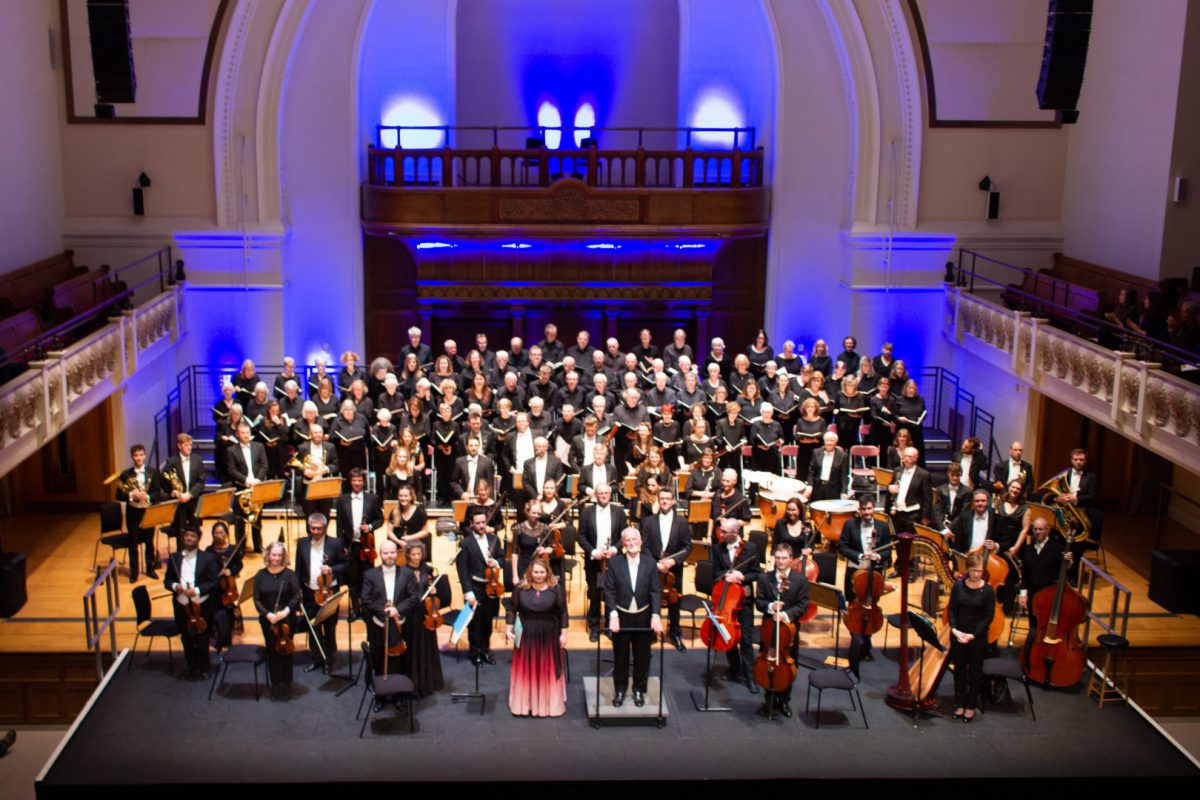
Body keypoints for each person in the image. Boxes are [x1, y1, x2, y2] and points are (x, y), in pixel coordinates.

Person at [605, 528, 663, 707]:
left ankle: (639, 689)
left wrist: (656, 615)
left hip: (643, 617)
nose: (631, 543)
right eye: (627, 540)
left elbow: (655, 591)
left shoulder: (650, 562)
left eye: (634, 540)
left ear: (640, 542)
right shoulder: (614, 563)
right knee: (620, 657)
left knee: (642, 657)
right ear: (623, 544)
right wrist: (613, 614)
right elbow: (609, 591)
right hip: (621, 616)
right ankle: (620, 690)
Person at [504, 558, 569, 717]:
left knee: (547, 668)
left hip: (549, 634)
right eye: (536, 572)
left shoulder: (556, 588)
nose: (539, 575)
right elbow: (512, 609)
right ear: (530, 572)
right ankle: (526, 705)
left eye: (541, 572)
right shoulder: (521, 587)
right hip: (525, 633)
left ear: (547, 572)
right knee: (526, 669)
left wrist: (564, 634)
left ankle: (548, 705)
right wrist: (509, 629)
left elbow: (563, 612)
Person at [361, 540, 419, 707]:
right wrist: (385, 611)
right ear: (380, 554)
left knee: (400, 661)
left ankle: (398, 696)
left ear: (397, 553)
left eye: (392, 552)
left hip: (400, 624)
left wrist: (397, 609)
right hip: (379, 625)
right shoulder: (370, 574)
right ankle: (380, 696)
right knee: (380, 661)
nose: (389, 556)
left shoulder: (407, 573)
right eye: (386, 553)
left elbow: (414, 597)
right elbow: (366, 599)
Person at [754, 543, 810, 718]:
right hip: (769, 630)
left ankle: (784, 701)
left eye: (784, 558)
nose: (780, 561)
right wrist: (771, 606)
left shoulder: (800, 580)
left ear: (791, 559)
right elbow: (759, 602)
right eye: (777, 558)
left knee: (787, 666)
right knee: (767, 663)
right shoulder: (764, 578)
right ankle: (768, 699)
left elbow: (803, 606)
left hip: (788, 633)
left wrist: (786, 614)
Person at [838, 495, 893, 664]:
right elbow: (842, 546)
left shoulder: (883, 527)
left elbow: (888, 552)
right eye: (864, 509)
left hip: (873, 575)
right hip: (855, 573)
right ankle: (856, 641)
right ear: (859, 510)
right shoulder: (850, 525)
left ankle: (866, 643)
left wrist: (878, 555)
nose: (867, 512)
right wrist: (860, 555)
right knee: (854, 608)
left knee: (870, 608)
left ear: (873, 509)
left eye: (870, 509)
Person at [711, 517, 761, 694]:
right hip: (726, 600)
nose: (720, 534)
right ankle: (734, 670)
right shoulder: (718, 549)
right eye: (720, 531)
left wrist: (742, 577)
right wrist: (726, 575)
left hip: (743, 600)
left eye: (724, 532)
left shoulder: (751, 548)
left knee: (746, 639)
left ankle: (750, 676)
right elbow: (715, 572)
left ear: (735, 533)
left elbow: (757, 573)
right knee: (728, 637)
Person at [640, 487, 692, 652]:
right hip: (654, 567)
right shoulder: (648, 521)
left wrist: (673, 561)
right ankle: (652, 632)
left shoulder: (682, 522)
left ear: (673, 501)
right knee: (652, 599)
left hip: (673, 570)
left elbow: (687, 547)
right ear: (658, 500)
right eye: (661, 498)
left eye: (667, 498)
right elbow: (645, 546)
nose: (664, 501)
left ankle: (675, 633)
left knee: (674, 601)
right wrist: (654, 563)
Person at [164, 527, 219, 680]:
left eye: (192, 536)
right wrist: (176, 587)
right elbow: (167, 581)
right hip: (181, 604)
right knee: (186, 637)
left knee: (202, 638)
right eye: (187, 535)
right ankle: (190, 666)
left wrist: (196, 590)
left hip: (201, 604)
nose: (189, 538)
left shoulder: (208, 558)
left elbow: (214, 582)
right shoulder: (174, 558)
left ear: (198, 539)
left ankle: (204, 667)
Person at [295, 513, 346, 673]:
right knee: (313, 628)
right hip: (309, 593)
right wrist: (298, 591)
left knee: (329, 628)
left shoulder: (336, 543)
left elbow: (345, 565)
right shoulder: (302, 543)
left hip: (329, 593)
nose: (316, 531)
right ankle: (316, 658)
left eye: (319, 528)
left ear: (325, 527)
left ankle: (329, 660)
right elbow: (299, 569)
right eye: (313, 528)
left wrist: (332, 569)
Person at [948, 552, 996, 723]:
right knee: (959, 671)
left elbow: (988, 617)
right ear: (967, 570)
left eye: (980, 571)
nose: (977, 574)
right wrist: (954, 630)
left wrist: (973, 635)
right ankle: (960, 703)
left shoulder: (988, 590)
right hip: (958, 634)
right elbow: (952, 610)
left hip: (977, 637)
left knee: (975, 672)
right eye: (974, 570)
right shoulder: (958, 586)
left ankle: (971, 706)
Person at [1017, 517, 1072, 663]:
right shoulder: (1028, 549)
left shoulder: (1057, 548)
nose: (1038, 532)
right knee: (1034, 627)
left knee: (1050, 626)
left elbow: (1066, 568)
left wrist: (1069, 561)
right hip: (1034, 596)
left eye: (1041, 529)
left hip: (1050, 595)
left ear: (1047, 530)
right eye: (1035, 529)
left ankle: (1052, 655)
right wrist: (1023, 594)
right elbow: (1025, 575)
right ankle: (1032, 657)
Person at [577, 483, 626, 641]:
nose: (603, 495)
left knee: (611, 593)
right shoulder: (586, 512)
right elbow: (581, 536)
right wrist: (593, 552)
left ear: (610, 494)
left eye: (606, 493)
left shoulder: (618, 512)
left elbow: (624, 535)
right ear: (595, 495)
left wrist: (614, 550)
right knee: (595, 593)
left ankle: (611, 625)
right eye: (600, 493)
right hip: (594, 561)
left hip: (614, 561)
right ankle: (595, 627)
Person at [334, 468, 384, 619]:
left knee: (368, 577)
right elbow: (339, 524)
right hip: (350, 545)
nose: (357, 483)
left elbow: (380, 519)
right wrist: (341, 545)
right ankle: (355, 608)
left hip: (367, 546)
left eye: (359, 480)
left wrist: (369, 527)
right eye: (354, 480)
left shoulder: (372, 498)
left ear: (364, 482)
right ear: (350, 482)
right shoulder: (342, 499)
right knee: (352, 579)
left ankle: (368, 607)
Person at [398, 540, 446, 696]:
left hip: (426, 614)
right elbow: (401, 594)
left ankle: (427, 681)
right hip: (411, 615)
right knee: (412, 646)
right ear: (408, 555)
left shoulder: (428, 569)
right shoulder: (403, 571)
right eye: (413, 554)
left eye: (419, 554)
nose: (416, 557)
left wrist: (433, 591)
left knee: (426, 646)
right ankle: (412, 683)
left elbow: (431, 589)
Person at [254, 540, 302, 698]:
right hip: (268, 620)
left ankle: (286, 683)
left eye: (279, 555)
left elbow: (297, 596)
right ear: (268, 555)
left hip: (287, 620)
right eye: (273, 554)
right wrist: (268, 615)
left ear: (283, 556)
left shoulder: (290, 574)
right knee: (272, 651)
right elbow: (256, 599)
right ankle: (275, 684)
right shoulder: (260, 575)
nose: (276, 558)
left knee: (286, 652)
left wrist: (286, 611)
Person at [456, 508, 503, 665]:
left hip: (492, 587)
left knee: (487, 621)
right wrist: (467, 592)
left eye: (483, 522)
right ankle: (475, 652)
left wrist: (495, 562)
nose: (482, 526)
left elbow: (502, 559)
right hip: (474, 587)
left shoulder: (494, 539)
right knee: (474, 623)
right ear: (471, 524)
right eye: (478, 523)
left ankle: (485, 651)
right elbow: (462, 571)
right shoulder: (465, 543)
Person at [115, 443, 161, 582]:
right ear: (132, 457)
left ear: (145, 456)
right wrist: (131, 496)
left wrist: (146, 496)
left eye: (141, 455)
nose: (139, 458)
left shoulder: (153, 472)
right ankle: (134, 572)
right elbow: (118, 495)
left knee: (149, 542)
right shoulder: (126, 474)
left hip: (148, 512)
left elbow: (157, 493)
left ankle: (150, 569)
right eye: (136, 455)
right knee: (133, 543)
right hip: (133, 513)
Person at [225, 421, 269, 553]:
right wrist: (245, 480)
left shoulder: (259, 447)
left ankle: (258, 545)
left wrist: (257, 479)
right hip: (241, 488)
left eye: (248, 433)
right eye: (243, 433)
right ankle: (240, 547)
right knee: (240, 520)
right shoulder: (231, 450)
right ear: (238, 434)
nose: (245, 435)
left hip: (256, 486)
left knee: (257, 519)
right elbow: (231, 470)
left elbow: (264, 465)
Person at [206, 521, 243, 651]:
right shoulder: (209, 550)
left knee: (229, 610)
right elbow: (207, 567)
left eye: (222, 532)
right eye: (216, 533)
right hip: (215, 586)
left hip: (229, 586)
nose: (219, 535)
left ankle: (228, 635)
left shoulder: (233, 549)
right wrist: (216, 572)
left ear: (226, 534)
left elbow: (239, 565)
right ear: (213, 535)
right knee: (215, 609)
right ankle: (217, 635)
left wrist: (230, 571)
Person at [161, 432, 205, 543]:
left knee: (195, 529)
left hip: (193, 501)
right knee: (181, 532)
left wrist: (189, 494)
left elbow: (201, 481)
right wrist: (174, 492)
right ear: (179, 446)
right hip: (179, 502)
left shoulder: (197, 460)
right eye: (186, 445)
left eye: (190, 445)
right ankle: (181, 555)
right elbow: (165, 481)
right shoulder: (171, 461)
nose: (189, 447)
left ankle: (195, 553)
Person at [388, 484, 430, 563]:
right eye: (401, 496)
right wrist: (399, 542)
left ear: (411, 497)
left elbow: (425, 531)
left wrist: (410, 538)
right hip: (398, 546)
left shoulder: (420, 512)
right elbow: (389, 532)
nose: (403, 498)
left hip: (415, 547)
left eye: (405, 496)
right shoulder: (394, 511)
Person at [804, 432, 849, 503]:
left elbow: (844, 475)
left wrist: (844, 492)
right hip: (818, 487)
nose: (829, 443)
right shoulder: (816, 452)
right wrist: (809, 485)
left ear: (836, 443)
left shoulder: (843, 456)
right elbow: (811, 471)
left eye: (831, 440)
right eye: (827, 440)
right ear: (824, 441)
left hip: (833, 489)